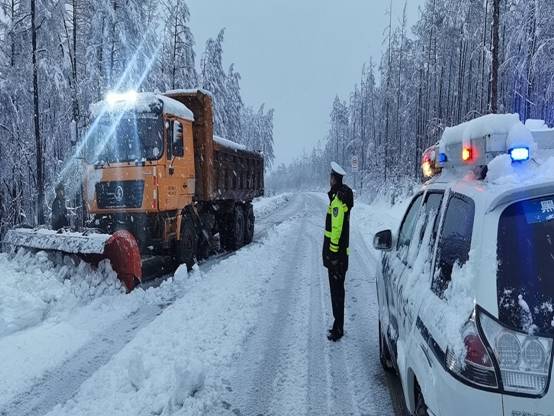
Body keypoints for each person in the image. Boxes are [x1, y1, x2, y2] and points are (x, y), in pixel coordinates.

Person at [323, 162, 354, 342]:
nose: (329, 179)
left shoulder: (337, 201)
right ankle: (338, 325)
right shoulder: (342, 197)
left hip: (337, 257)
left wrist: (333, 255)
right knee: (338, 293)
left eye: (331, 177)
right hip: (341, 257)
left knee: (337, 294)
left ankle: (338, 329)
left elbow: (336, 229)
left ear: (334, 179)